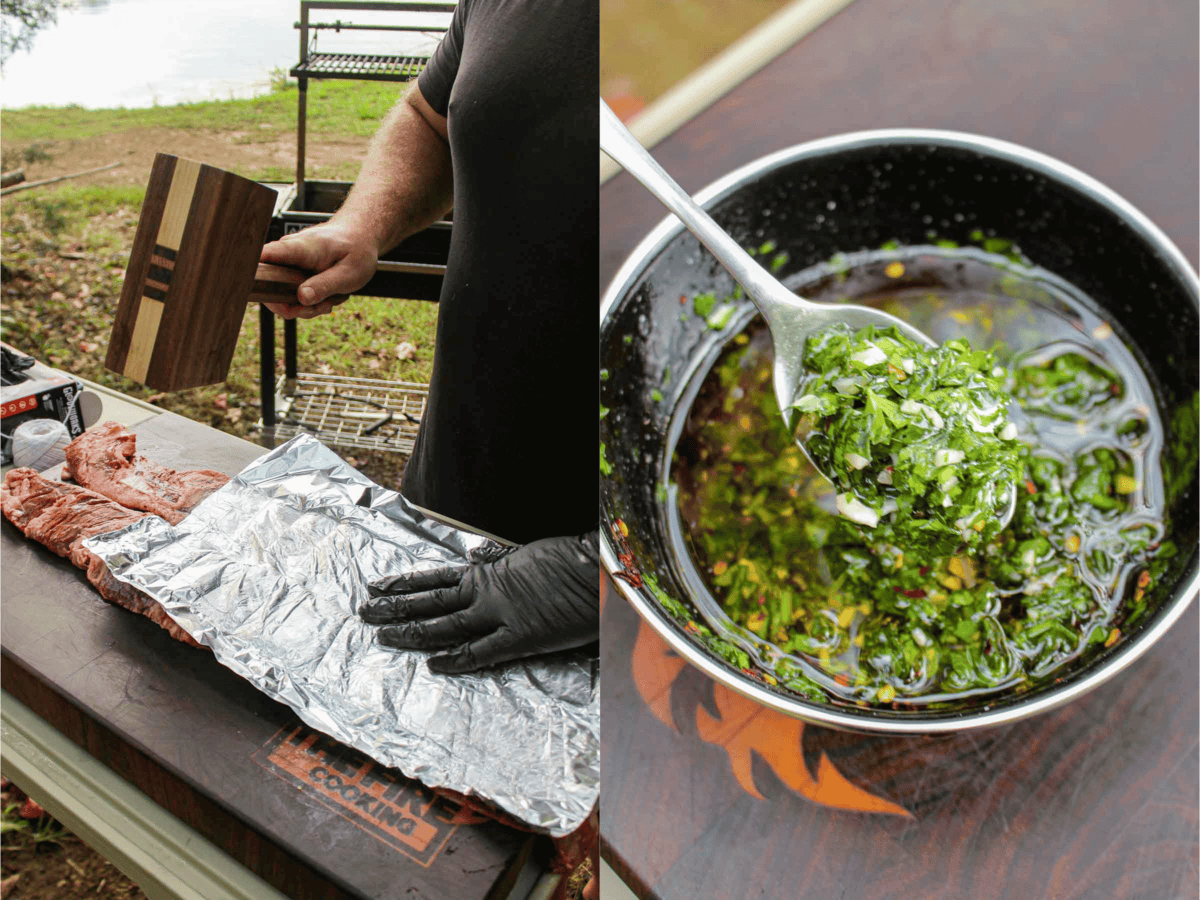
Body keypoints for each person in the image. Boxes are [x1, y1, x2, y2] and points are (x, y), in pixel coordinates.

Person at [260, 0, 599, 678]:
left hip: (669, 604)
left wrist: (605, 572)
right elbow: (430, 118)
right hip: (448, 512)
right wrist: (361, 227)